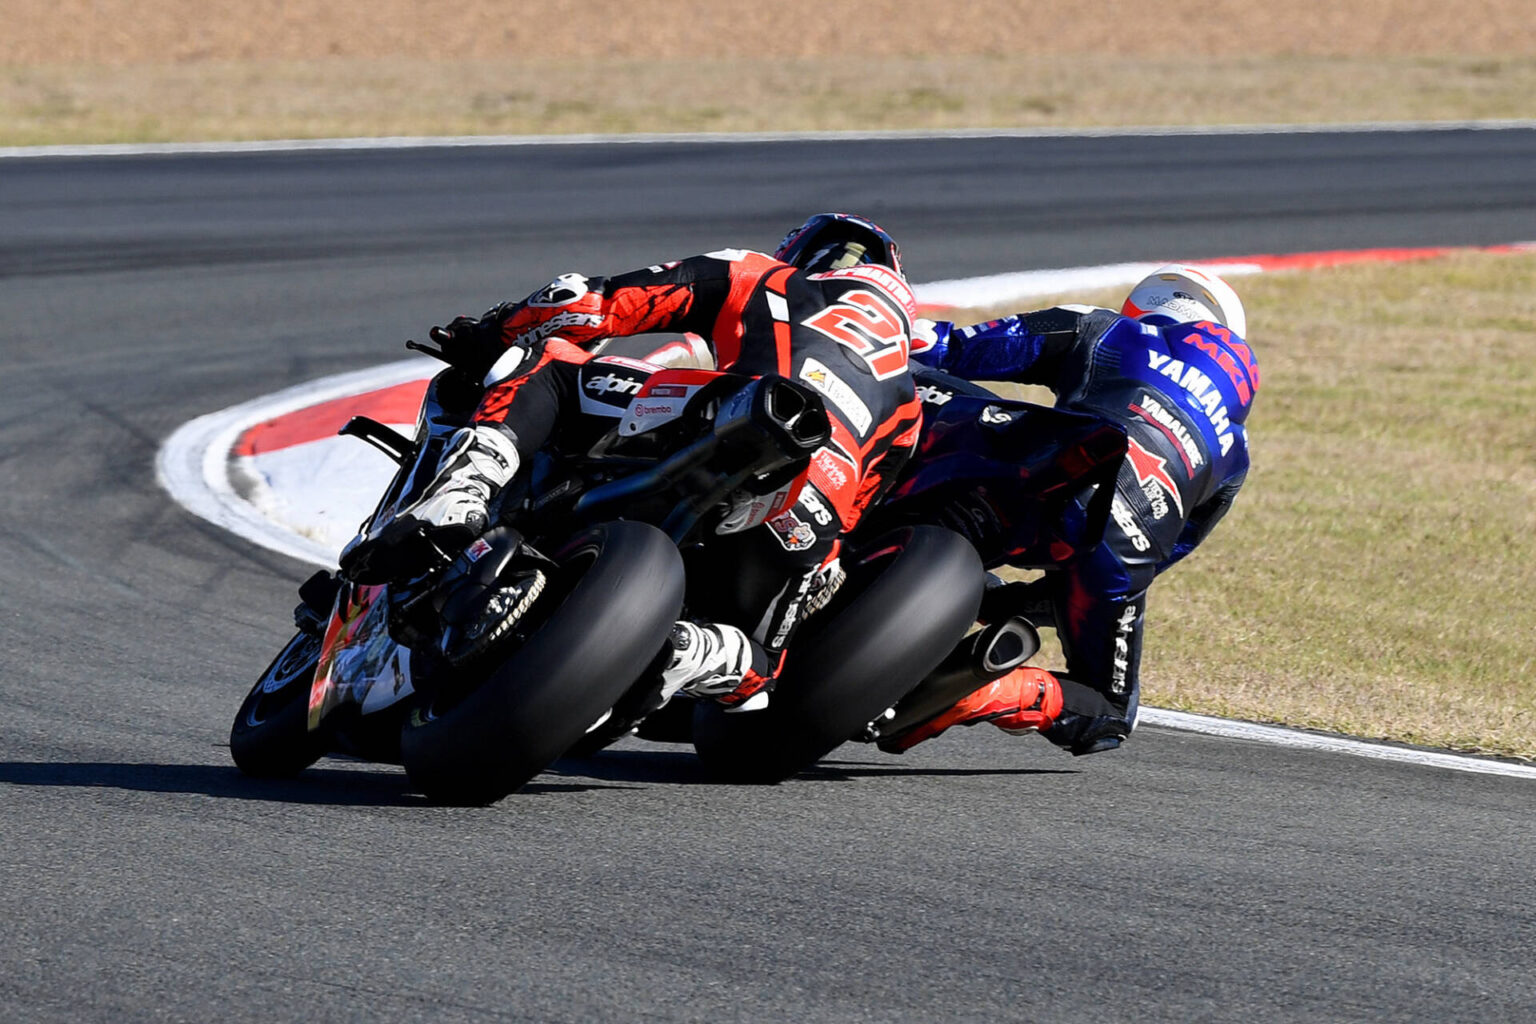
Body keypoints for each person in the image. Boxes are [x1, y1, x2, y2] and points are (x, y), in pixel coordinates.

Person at [340, 213, 924, 709]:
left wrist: (498, 329)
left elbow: (590, 304)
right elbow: (859, 515)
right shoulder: (909, 404)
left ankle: (463, 492)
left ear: (807, 254)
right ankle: (690, 651)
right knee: (763, 667)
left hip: (725, 412)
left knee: (550, 364)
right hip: (807, 509)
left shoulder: (766, 276)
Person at [882, 264, 1258, 756]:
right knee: (1109, 711)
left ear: (1145, 308)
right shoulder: (1236, 456)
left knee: (907, 382)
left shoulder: (1108, 328)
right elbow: (1152, 561)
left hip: (1037, 467)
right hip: (1120, 546)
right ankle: (989, 689)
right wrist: (1014, 604)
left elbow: (948, 347)